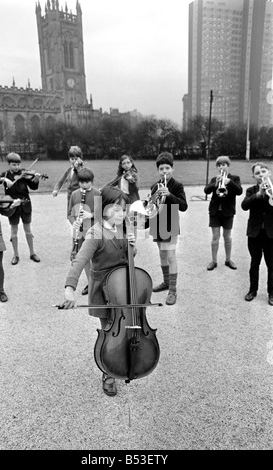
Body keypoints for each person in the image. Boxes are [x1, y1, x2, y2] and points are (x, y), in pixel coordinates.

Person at [60, 186, 136, 397]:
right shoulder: (95, 233)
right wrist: (70, 288)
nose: (122, 214)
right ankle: (108, 372)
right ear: (103, 209)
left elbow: (128, 256)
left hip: (124, 287)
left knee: (126, 329)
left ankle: (125, 360)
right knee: (110, 332)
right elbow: (80, 260)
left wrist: (132, 246)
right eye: (117, 210)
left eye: (124, 210)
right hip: (103, 290)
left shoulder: (124, 227)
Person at [149, 152, 188, 306]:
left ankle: (172, 289)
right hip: (157, 221)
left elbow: (184, 206)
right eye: (161, 169)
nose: (164, 171)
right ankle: (166, 282)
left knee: (171, 255)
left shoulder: (177, 186)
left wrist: (170, 195)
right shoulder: (154, 186)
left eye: (167, 168)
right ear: (158, 170)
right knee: (161, 253)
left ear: (172, 169)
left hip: (170, 220)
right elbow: (152, 207)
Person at [0, 152, 41, 265]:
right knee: (14, 231)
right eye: (14, 165)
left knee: (28, 230)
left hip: (25, 205)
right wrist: (3, 179)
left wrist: (36, 179)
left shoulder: (24, 174)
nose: (17, 167)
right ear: (9, 164)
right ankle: (16, 255)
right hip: (12, 206)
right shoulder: (6, 174)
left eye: (18, 164)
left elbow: (33, 186)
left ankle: (32, 253)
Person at [241, 162, 273, 306]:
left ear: (269, 173)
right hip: (254, 233)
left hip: (270, 233)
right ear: (254, 176)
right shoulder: (251, 190)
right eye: (258, 173)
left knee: (271, 265)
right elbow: (244, 205)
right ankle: (252, 290)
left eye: (263, 171)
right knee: (255, 263)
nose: (261, 175)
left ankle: (271, 293)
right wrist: (259, 194)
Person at [204, 156, 243, 271]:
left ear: (228, 166)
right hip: (215, 212)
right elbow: (206, 190)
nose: (221, 167)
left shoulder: (235, 178)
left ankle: (228, 259)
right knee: (215, 237)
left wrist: (229, 182)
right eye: (219, 165)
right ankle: (214, 261)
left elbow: (239, 191)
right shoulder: (214, 179)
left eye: (224, 165)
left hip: (228, 212)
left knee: (227, 237)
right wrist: (215, 184)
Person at [68, 168, 101, 295]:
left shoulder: (97, 193)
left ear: (91, 182)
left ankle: (97, 283)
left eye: (87, 182)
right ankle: (91, 283)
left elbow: (101, 214)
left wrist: (90, 215)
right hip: (80, 231)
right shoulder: (75, 194)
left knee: (95, 258)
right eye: (81, 182)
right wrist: (74, 222)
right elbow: (69, 213)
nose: (84, 185)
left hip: (93, 230)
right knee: (85, 258)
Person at [52, 146, 84, 215]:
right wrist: (56, 189)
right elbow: (60, 181)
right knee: (70, 217)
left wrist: (78, 169)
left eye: (76, 159)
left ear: (80, 159)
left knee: (79, 219)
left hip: (79, 198)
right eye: (72, 159)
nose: (74, 161)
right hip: (70, 198)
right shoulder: (69, 170)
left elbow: (83, 178)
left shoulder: (82, 170)